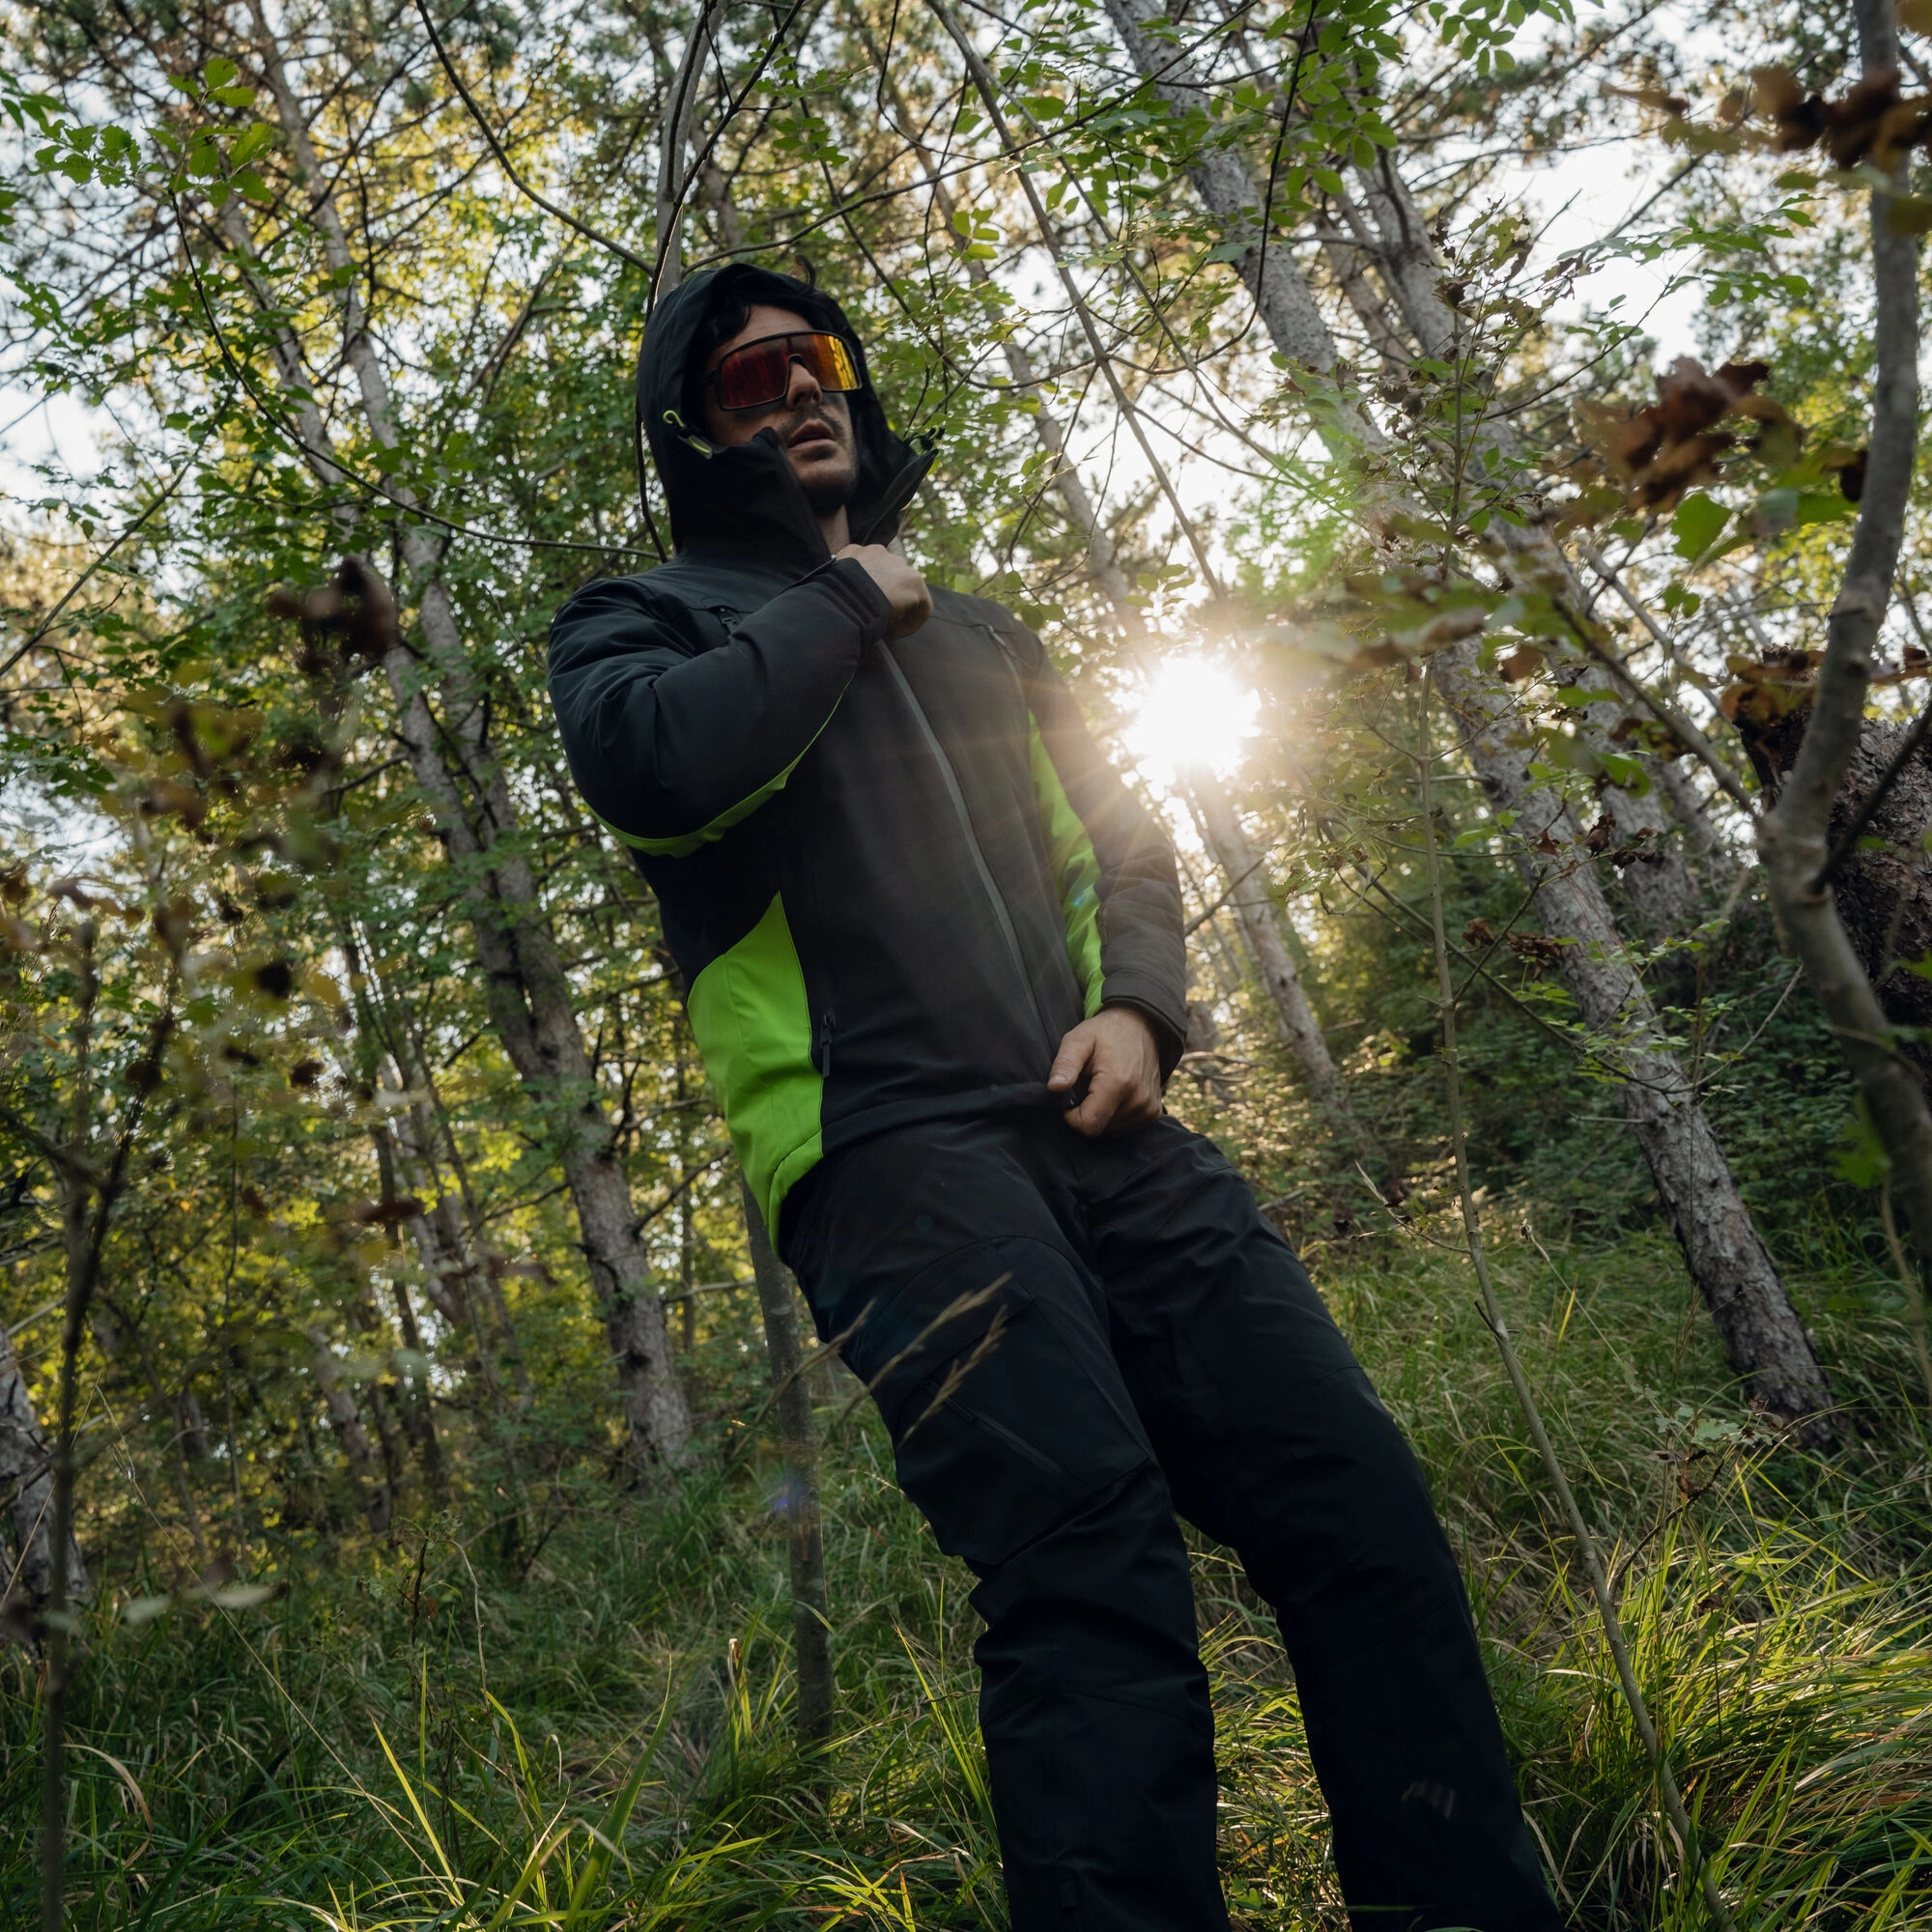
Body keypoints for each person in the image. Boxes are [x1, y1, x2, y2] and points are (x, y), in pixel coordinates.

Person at [547, 263, 1564, 1932]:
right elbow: (657, 769)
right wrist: (852, 596)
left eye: (823, 361)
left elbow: (1121, 832)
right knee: (1089, 1580)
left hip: (1110, 1123)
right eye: (754, 379)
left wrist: (1144, 1010)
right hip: (884, 1157)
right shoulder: (641, 620)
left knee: (1359, 1505)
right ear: (694, 423)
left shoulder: (994, 632)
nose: (804, 393)